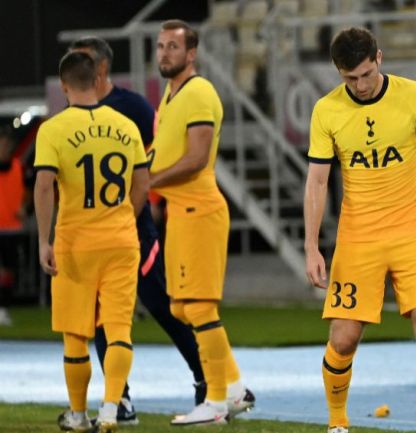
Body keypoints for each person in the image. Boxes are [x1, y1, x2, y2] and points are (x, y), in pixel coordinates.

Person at [304, 27, 416, 433]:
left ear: (378, 58)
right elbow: (316, 182)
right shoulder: (326, 110)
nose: (360, 86)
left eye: (366, 74)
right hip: (357, 236)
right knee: (343, 338)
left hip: (410, 228)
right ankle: (337, 424)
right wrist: (311, 247)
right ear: (338, 73)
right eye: (350, 79)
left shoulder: (414, 95)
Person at [67, 36, 207, 424]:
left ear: (102, 67)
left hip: (135, 233)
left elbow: (155, 160)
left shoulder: (133, 108)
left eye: (83, 61)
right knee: (100, 317)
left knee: (163, 305)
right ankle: (120, 399)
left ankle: (205, 378)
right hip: (93, 237)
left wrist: (147, 210)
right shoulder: (75, 111)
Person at [34, 51, 150, 433]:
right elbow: (142, 185)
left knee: (75, 334)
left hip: (75, 243)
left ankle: (79, 415)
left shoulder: (53, 129)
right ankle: (112, 410)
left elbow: (44, 186)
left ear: (65, 86)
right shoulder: (125, 125)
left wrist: (43, 240)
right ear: (97, 81)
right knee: (119, 329)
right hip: (120, 241)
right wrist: (122, 220)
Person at [149, 19, 253, 425]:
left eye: (172, 47)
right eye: (160, 47)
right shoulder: (171, 97)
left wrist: (149, 182)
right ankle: (234, 389)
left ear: (191, 54)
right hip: (180, 213)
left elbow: (195, 158)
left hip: (200, 209)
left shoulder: (199, 92)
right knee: (180, 306)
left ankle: (214, 403)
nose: (164, 54)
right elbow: (161, 151)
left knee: (200, 305)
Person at [0, 126, 28, 326]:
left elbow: (29, 190)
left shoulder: (19, 167)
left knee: (9, 270)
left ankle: (4, 308)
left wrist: (24, 208)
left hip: (12, 227)